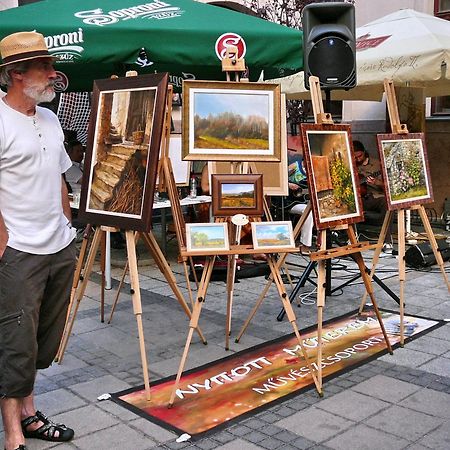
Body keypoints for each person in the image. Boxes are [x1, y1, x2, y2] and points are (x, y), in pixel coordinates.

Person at [0, 31, 77, 450]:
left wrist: (67, 225)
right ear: (15, 74)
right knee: (14, 340)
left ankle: (29, 414)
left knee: (42, 338)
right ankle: (14, 434)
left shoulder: (49, 117)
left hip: (57, 245)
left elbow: (60, 174)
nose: (53, 73)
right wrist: (2, 240)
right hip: (19, 250)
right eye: (44, 68)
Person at [353, 140, 392, 246]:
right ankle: (351, 239)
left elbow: (388, 186)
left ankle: (387, 242)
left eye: (359, 156)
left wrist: (376, 182)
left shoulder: (377, 165)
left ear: (364, 152)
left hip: (375, 197)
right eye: (355, 157)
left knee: (386, 202)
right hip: (359, 199)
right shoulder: (352, 164)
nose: (358, 159)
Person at [287, 150, 314, 254]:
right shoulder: (295, 166)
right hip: (291, 202)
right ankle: (305, 245)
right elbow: (280, 179)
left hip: (306, 201)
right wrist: (289, 185)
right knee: (309, 212)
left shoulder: (315, 171)